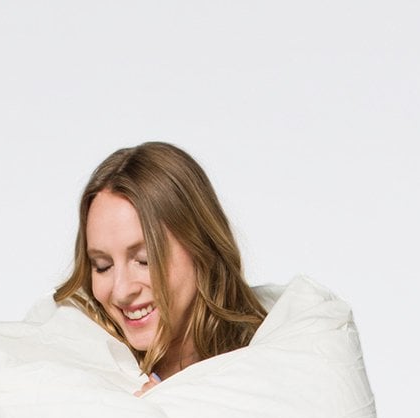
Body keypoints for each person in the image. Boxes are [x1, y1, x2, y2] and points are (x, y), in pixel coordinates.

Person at [54, 141, 267, 396]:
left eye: (145, 260)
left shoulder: (269, 362)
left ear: (202, 247)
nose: (121, 291)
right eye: (103, 266)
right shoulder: (70, 364)